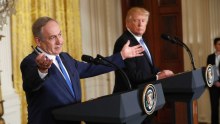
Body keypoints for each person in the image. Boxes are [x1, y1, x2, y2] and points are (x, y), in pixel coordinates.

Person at [20, 16, 145, 124]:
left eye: (60, 34)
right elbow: (30, 85)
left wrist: (121, 56)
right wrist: (42, 70)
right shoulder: (30, 62)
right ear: (38, 41)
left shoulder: (65, 58)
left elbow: (91, 68)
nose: (60, 41)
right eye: (52, 37)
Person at [113, 7, 174, 124]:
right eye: (137, 20)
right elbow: (132, 75)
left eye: (143, 20)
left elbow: (149, 68)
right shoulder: (125, 42)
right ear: (128, 23)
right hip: (131, 99)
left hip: (144, 97)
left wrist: (161, 72)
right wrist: (157, 77)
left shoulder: (142, 40)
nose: (141, 24)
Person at [207, 37, 220, 124]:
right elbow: (208, 71)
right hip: (214, 86)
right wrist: (214, 81)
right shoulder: (210, 57)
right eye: (219, 44)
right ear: (215, 45)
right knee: (214, 108)